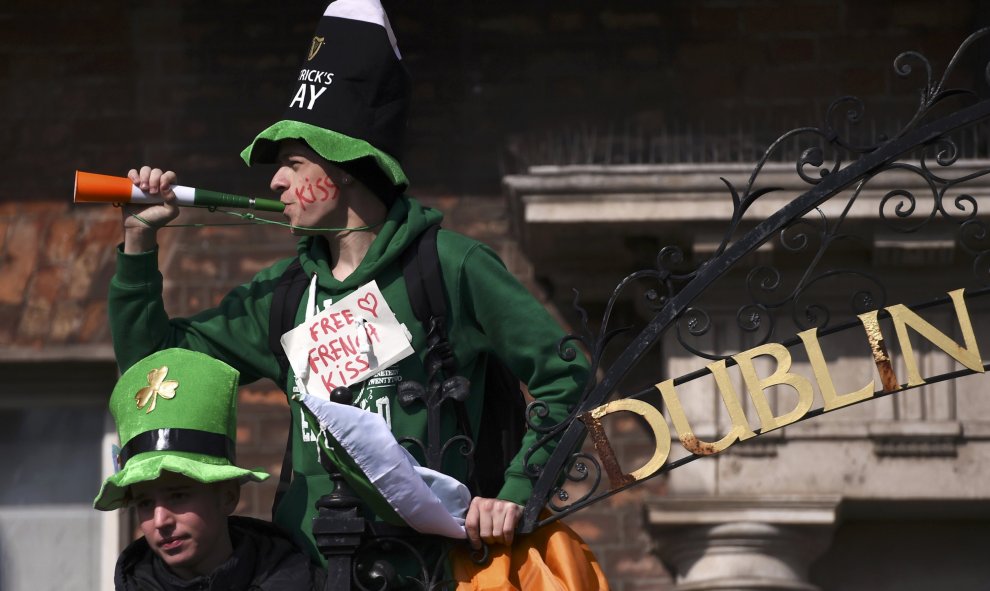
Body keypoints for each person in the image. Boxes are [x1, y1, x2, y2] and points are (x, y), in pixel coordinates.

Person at [108, 0, 589, 567]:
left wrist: (513, 494)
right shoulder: (280, 294)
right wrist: (138, 244)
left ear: (342, 166)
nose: (278, 180)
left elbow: (566, 377)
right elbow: (155, 374)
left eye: (292, 161)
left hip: (438, 573)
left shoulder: (453, 266)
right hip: (312, 575)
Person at [94, 348, 325, 590]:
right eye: (145, 503)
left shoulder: (304, 582)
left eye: (178, 496)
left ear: (228, 496)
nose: (161, 521)